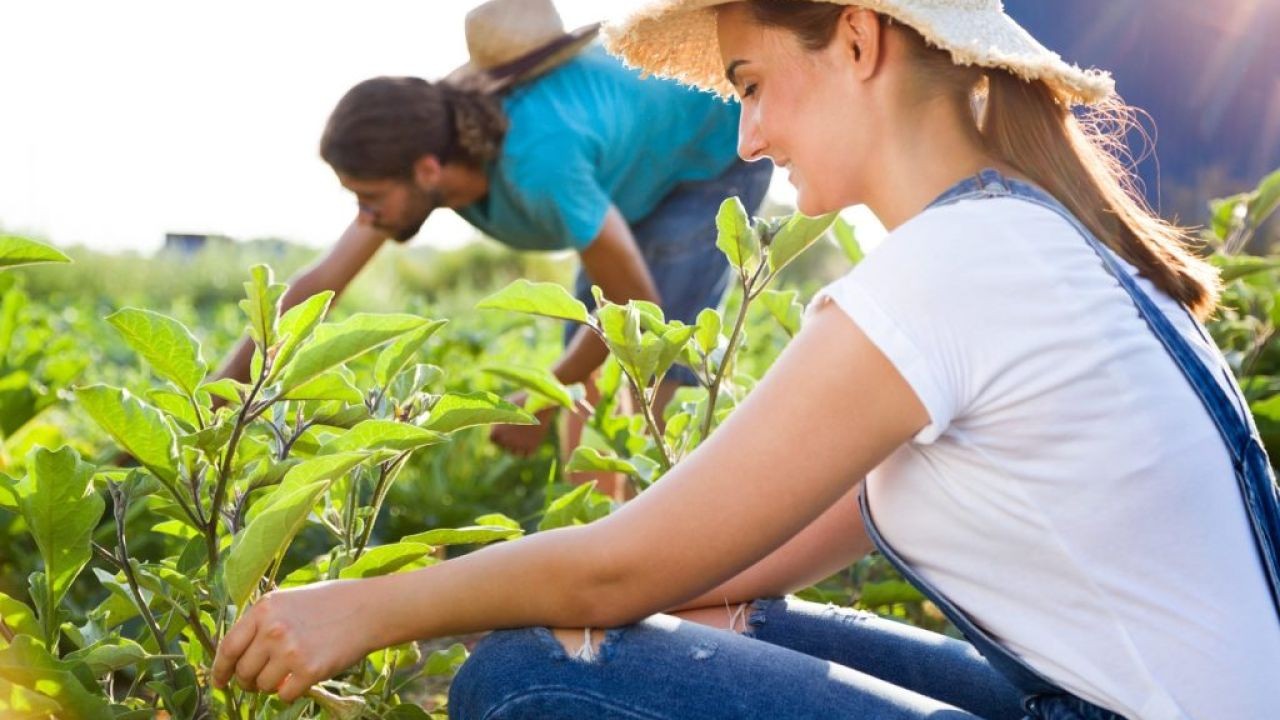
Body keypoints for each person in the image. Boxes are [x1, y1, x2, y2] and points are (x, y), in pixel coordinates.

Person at [211, 0, 1280, 718]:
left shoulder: (948, 271)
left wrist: (360, 603)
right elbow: (728, 555)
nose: (747, 140)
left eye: (752, 84)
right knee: (691, 615)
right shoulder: (1027, 239)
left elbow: (620, 563)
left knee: (531, 679)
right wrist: (659, 597)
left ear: (856, 43)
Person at [212, 0, 772, 487]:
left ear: (428, 169)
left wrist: (539, 395)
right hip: (631, 168)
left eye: (369, 197)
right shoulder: (425, 150)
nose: (365, 215)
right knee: (585, 377)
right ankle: (595, 554)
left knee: (630, 368)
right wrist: (204, 412)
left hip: (711, 150)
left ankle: (634, 566)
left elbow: (632, 301)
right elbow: (319, 285)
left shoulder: (539, 164)